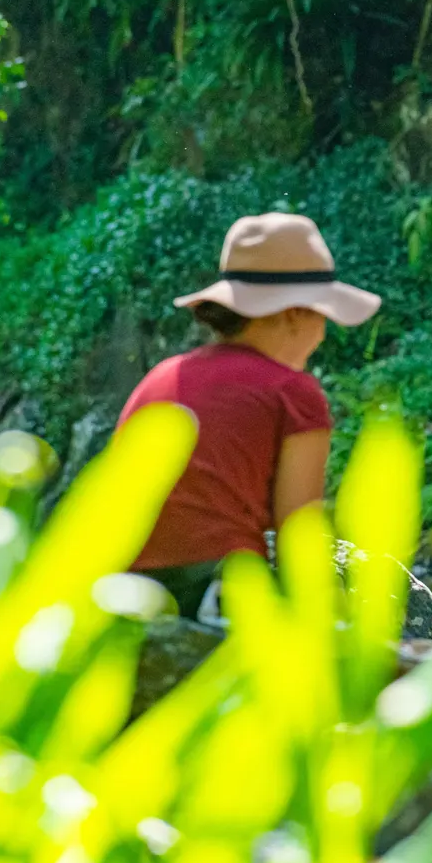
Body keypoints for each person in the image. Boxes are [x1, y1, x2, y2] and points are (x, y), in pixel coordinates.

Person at [120, 212, 380, 618]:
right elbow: (299, 532)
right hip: (214, 587)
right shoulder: (293, 392)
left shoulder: (161, 376)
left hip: (120, 586)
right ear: (296, 314)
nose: (324, 333)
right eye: (323, 316)